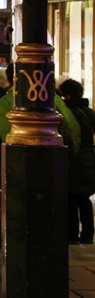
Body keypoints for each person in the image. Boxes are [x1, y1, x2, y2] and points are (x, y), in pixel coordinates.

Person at [59, 79, 95, 245]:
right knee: (84, 198)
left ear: (65, 95)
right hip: (88, 158)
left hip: (72, 157)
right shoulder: (89, 112)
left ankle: (72, 234)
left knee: (70, 198)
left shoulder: (66, 113)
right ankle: (88, 235)